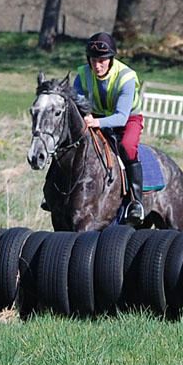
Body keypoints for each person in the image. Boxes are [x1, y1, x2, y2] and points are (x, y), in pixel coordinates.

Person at [74, 32, 145, 223]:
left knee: (127, 147)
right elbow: (77, 100)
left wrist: (96, 122)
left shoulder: (127, 77)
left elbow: (121, 118)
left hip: (128, 119)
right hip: (96, 116)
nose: (97, 65)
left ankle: (136, 202)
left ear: (111, 59)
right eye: (93, 60)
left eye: (102, 60)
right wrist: (86, 115)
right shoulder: (82, 74)